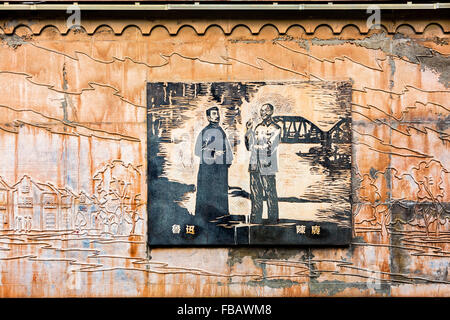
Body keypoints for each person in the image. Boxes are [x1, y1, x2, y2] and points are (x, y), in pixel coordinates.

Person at [194, 106, 233, 222]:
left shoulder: (221, 131)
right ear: (208, 117)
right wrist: (213, 153)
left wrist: (228, 160)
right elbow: (197, 151)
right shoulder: (204, 132)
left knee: (220, 191)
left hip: (221, 169)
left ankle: (221, 215)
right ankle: (206, 217)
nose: (217, 116)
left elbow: (228, 149)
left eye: (218, 113)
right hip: (208, 169)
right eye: (214, 114)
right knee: (208, 191)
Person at [245, 103, 281, 224]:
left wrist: (255, 146)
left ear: (271, 112)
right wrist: (249, 131)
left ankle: (273, 220)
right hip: (254, 164)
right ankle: (256, 219)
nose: (262, 113)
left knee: (270, 193)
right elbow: (249, 146)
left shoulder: (276, 128)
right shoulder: (258, 128)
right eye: (261, 111)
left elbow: (269, 148)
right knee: (255, 193)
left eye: (265, 111)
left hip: (268, 165)